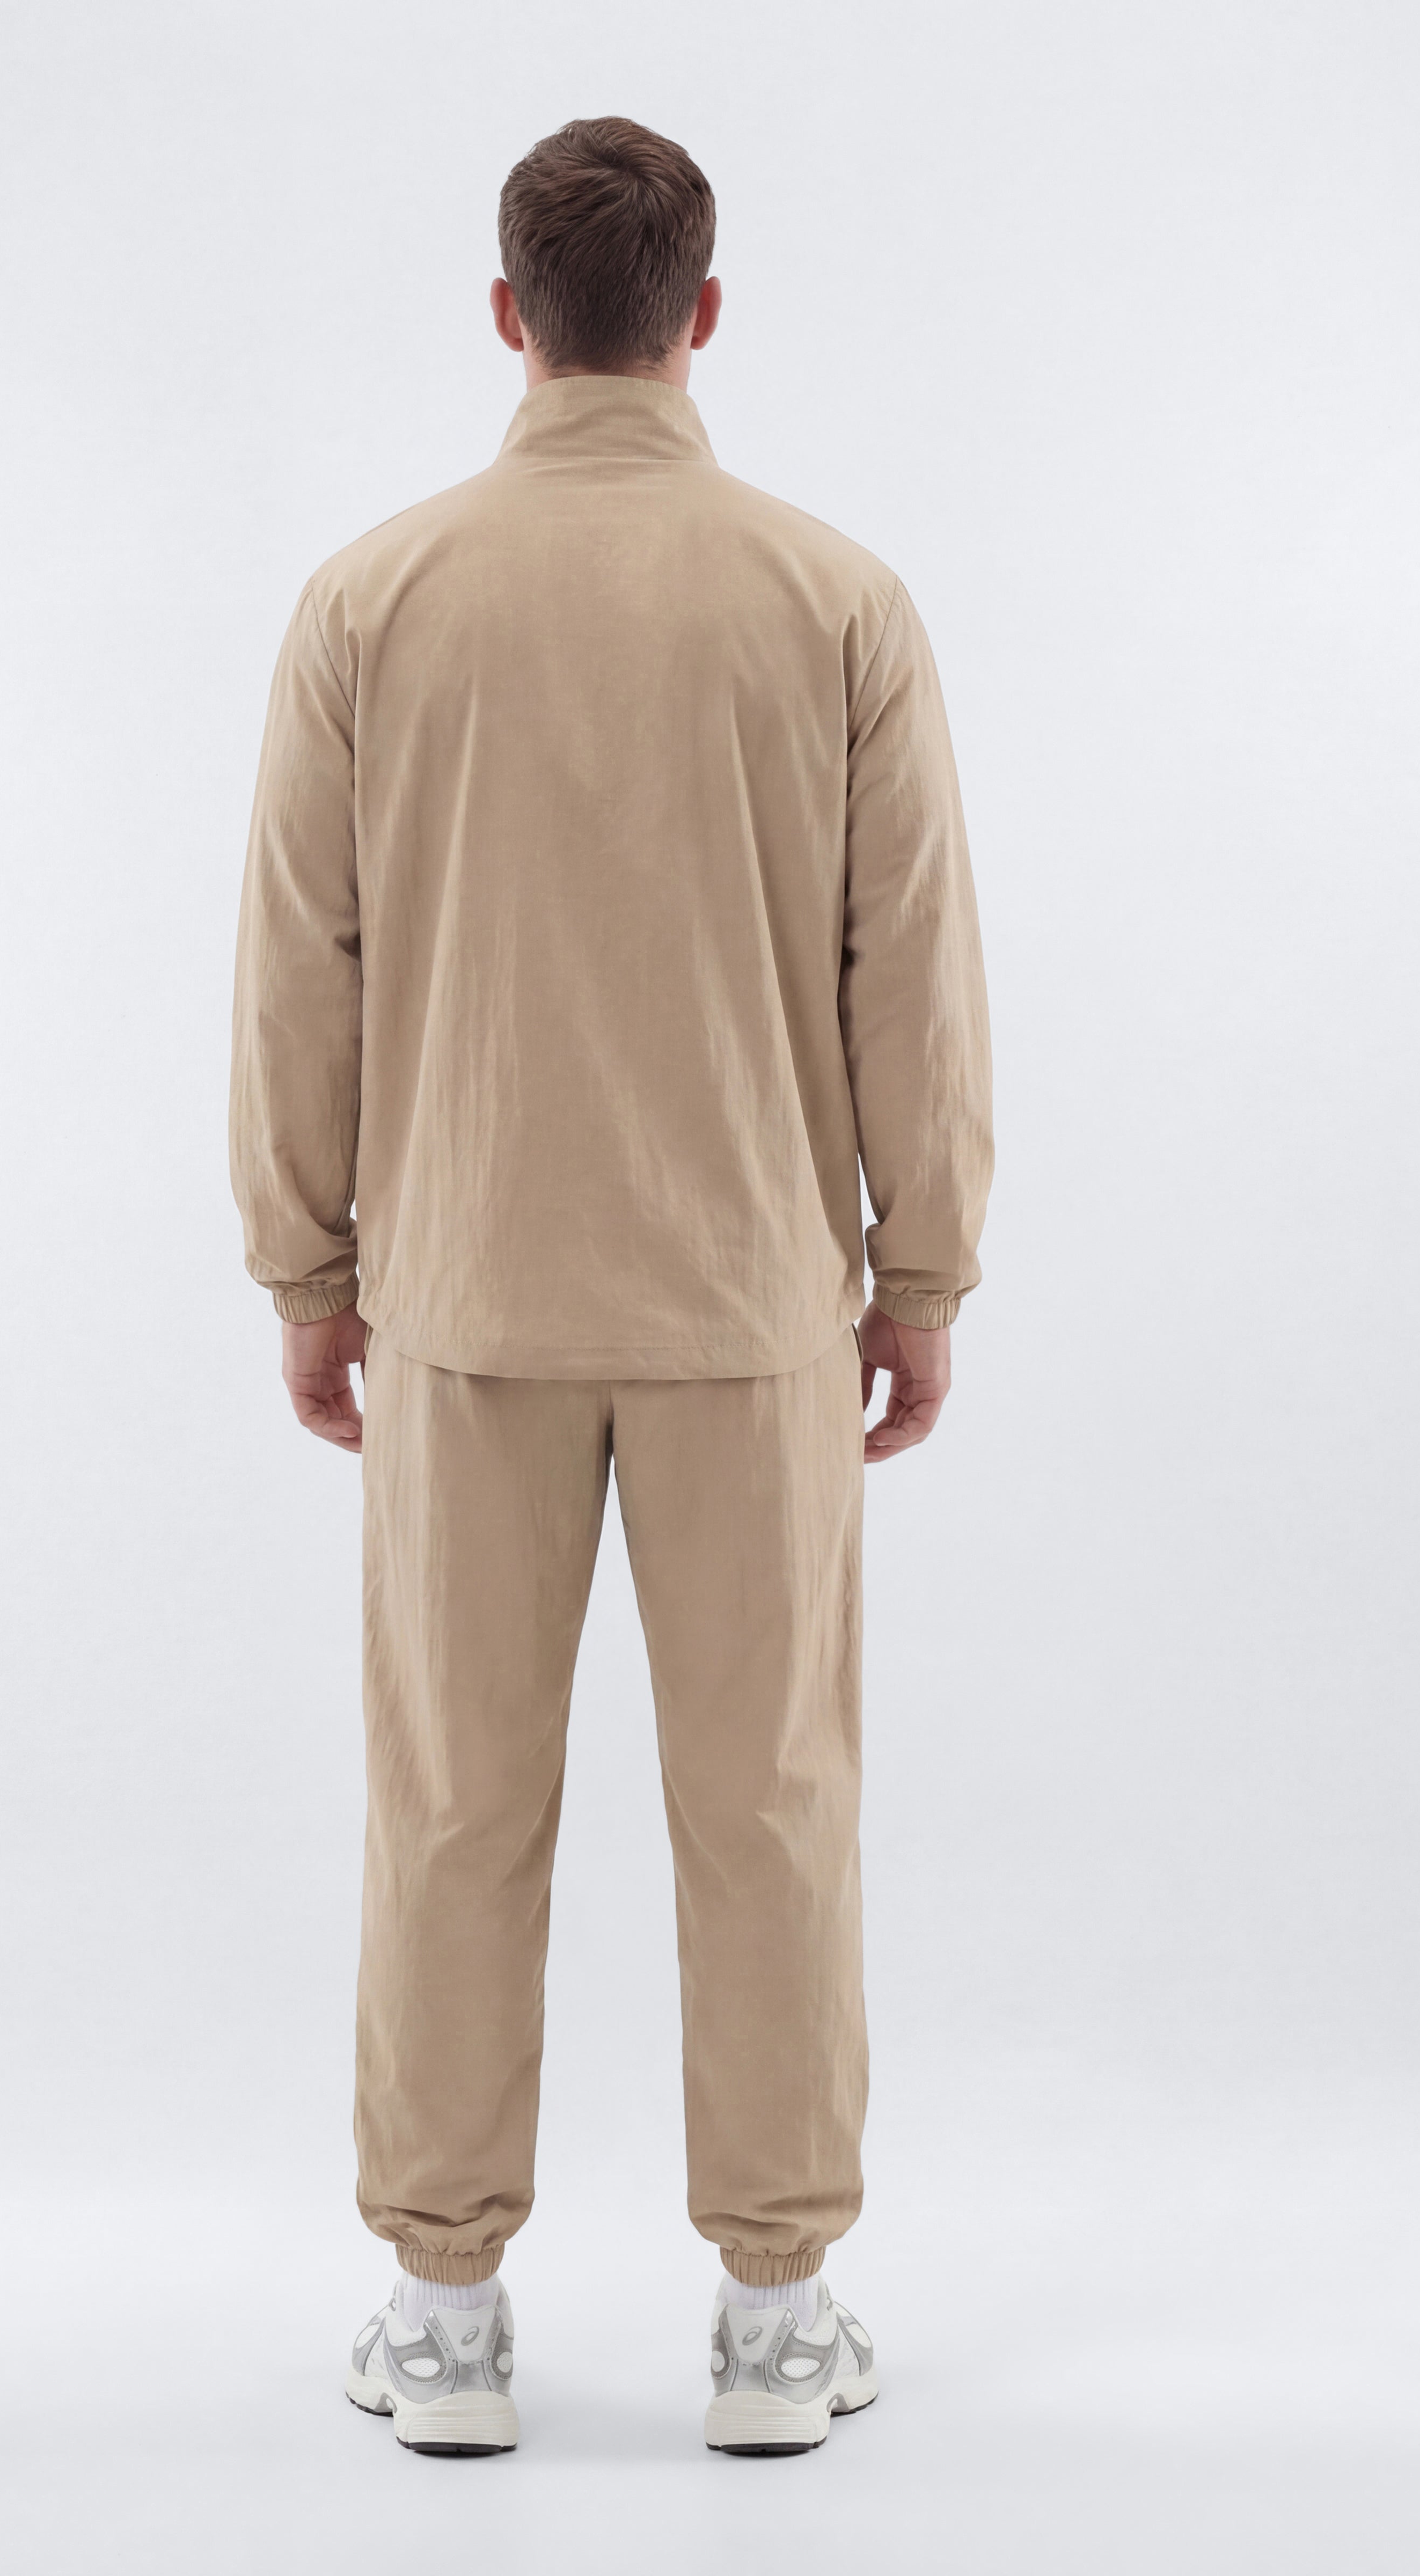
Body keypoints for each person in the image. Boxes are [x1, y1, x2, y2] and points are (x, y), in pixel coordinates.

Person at [229, 115, 992, 2458]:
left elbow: (302, 970)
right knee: (768, 1805)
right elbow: (909, 975)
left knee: (454, 1805)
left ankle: (444, 2316)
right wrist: (924, 1267)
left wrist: (305, 1263)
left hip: (463, 1300)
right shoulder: (833, 602)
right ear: (702, 314)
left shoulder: (371, 601)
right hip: (751, 1304)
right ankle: (776, 2319)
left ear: (506, 316)